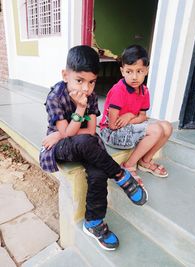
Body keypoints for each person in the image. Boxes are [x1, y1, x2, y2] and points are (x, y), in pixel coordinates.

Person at [39, 45, 147, 251]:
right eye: (79, 80)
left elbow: (90, 131)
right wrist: (77, 114)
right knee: (85, 142)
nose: (85, 89)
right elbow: (71, 135)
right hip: (60, 147)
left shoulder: (91, 95)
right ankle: (121, 175)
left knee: (97, 172)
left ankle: (94, 222)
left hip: (81, 143)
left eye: (91, 82)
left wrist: (63, 131)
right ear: (65, 75)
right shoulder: (55, 96)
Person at [100, 44, 173, 180]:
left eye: (139, 71)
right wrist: (134, 117)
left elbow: (143, 117)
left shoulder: (144, 91)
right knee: (156, 130)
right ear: (122, 71)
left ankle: (145, 162)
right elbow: (113, 125)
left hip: (128, 126)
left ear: (146, 71)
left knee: (167, 127)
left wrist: (130, 116)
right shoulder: (118, 90)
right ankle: (128, 165)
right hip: (111, 133)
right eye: (129, 71)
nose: (134, 77)